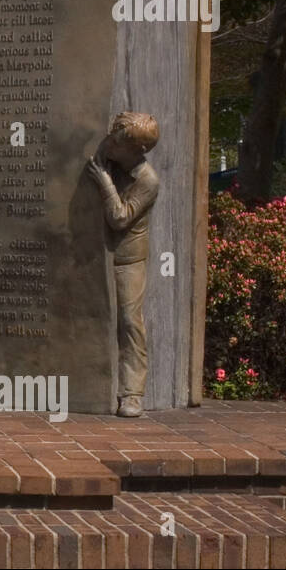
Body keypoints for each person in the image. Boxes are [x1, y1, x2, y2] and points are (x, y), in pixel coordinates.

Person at [85, 111, 160, 418]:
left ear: (136, 150)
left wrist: (104, 182)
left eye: (117, 144)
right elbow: (102, 149)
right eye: (112, 139)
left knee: (129, 322)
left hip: (127, 258)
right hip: (95, 253)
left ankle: (132, 394)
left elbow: (119, 218)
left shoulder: (147, 180)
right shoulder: (111, 152)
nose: (110, 146)